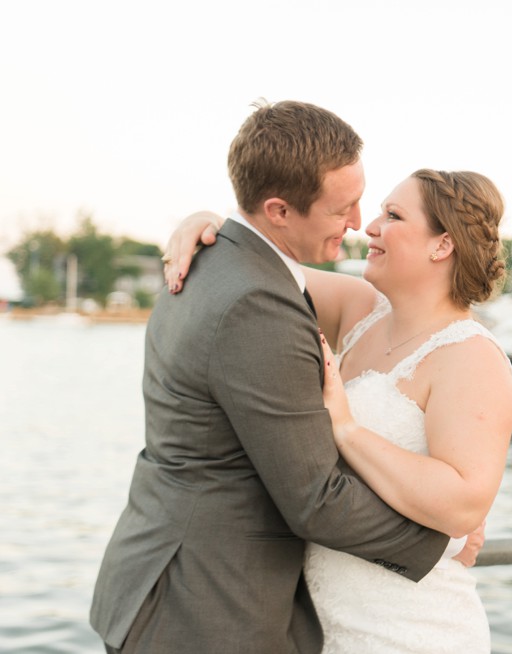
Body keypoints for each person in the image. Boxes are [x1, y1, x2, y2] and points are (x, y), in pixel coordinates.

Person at [90, 101, 450, 654]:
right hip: (205, 611)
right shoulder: (255, 302)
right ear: (279, 210)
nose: (358, 222)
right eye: (342, 208)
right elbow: (315, 501)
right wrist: (438, 542)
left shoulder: (218, 261)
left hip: (172, 583)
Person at [166, 168, 512, 652]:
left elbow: (464, 503)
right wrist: (205, 223)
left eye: (392, 216)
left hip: (412, 629)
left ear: (443, 244)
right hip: (324, 627)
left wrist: (349, 431)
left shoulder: (471, 357)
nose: (367, 226)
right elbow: (257, 262)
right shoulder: (360, 309)